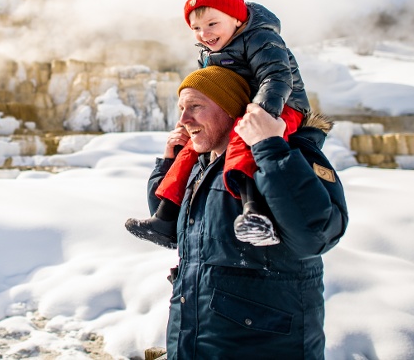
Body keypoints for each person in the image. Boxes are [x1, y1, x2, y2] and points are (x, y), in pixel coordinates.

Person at [139, 66, 348, 359]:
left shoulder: (288, 151)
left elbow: (315, 236)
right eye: (182, 109)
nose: (184, 120)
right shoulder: (201, 166)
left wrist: (269, 148)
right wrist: (167, 164)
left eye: (196, 107)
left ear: (230, 108)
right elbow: (175, 232)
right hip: (194, 342)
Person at [126, 0, 310, 248]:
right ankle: (166, 217)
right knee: (191, 149)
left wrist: (261, 113)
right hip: (242, 108)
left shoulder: (260, 38)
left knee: (242, 140)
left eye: (212, 24)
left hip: (282, 106)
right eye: (196, 27)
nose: (205, 34)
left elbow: (277, 78)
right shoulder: (209, 53)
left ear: (237, 19)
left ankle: (254, 212)